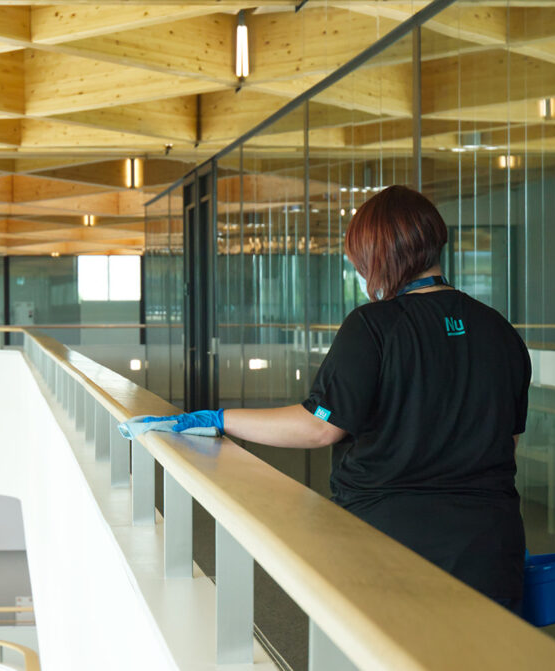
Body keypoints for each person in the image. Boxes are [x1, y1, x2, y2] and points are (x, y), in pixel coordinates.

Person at [152, 185, 531, 612]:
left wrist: (221, 419)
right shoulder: (499, 329)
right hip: (490, 554)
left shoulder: (374, 326)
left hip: (388, 551)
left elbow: (320, 426)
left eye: (360, 259)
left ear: (380, 256)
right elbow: (507, 444)